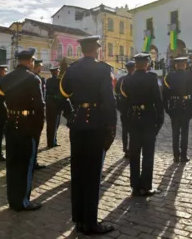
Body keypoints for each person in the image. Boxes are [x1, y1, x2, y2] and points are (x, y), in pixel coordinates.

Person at [60, 35, 116, 235]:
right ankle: (90, 222)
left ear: (82, 50)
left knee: (78, 172)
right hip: (96, 124)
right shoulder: (103, 69)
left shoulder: (72, 69)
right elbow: (109, 100)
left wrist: (71, 114)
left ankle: (78, 218)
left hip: (77, 124)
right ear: (97, 50)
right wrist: (112, 125)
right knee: (92, 175)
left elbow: (63, 94)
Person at [0, 49, 44, 211]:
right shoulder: (33, 79)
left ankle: (12, 199)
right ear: (30, 61)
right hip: (27, 125)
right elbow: (39, 107)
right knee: (26, 165)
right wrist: (37, 130)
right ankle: (23, 201)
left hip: (11, 124)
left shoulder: (7, 78)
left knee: (12, 164)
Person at [120, 53, 164, 196]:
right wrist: (159, 120)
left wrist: (126, 120)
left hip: (133, 119)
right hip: (148, 119)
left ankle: (134, 185)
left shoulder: (128, 80)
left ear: (136, 64)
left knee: (134, 153)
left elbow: (122, 103)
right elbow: (158, 101)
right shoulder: (151, 78)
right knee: (148, 153)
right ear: (147, 64)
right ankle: (146, 185)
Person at [163, 57, 192, 163]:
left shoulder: (169, 76)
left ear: (175, 65)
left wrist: (167, 108)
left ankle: (176, 156)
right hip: (185, 106)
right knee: (184, 133)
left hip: (174, 106)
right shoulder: (189, 76)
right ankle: (183, 156)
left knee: (175, 133)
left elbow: (164, 94)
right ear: (185, 65)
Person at [45, 65, 72, 148]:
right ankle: (53, 141)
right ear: (56, 71)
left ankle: (50, 141)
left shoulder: (48, 80)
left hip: (49, 104)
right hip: (56, 104)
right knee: (55, 124)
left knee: (50, 124)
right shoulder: (59, 81)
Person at [114, 61, 135, 158]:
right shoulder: (136, 79)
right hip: (134, 109)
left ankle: (125, 149)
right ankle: (132, 148)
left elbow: (116, 91)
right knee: (133, 130)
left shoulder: (122, 79)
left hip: (124, 108)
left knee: (125, 130)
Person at [32, 59, 46, 170]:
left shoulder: (39, 78)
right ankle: (33, 161)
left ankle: (33, 160)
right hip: (34, 114)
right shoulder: (33, 79)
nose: (41, 68)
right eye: (39, 66)